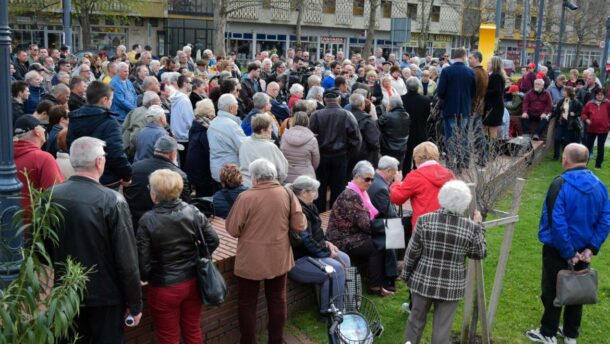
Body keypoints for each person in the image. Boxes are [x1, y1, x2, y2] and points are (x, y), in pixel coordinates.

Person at [49, 136, 143, 343]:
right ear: (100, 162)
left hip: (66, 293)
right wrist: (135, 304)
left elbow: (43, 249)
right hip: (105, 299)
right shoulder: (112, 201)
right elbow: (127, 261)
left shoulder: (50, 196)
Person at [525, 143, 610, 344]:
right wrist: (590, 248)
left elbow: (558, 222)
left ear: (565, 159)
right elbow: (605, 220)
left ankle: (548, 333)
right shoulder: (600, 186)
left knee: (552, 290)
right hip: (582, 251)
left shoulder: (560, 184)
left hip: (558, 249)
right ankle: (571, 334)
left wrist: (570, 251)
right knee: (577, 288)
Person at [225, 158, 307, 344]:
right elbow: (300, 225)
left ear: (254, 177)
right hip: (278, 256)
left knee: (247, 303)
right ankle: (276, 340)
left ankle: (248, 341)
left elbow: (232, 229)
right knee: (278, 300)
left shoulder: (246, 197)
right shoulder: (287, 193)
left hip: (250, 260)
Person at [136, 169, 219, 344]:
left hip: (164, 286)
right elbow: (213, 240)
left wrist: (149, 276)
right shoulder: (193, 211)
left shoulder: (147, 220)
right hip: (192, 281)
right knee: (192, 329)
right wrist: (199, 258)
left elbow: (142, 263)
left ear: (155, 193)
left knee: (168, 337)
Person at [402, 180, 487, 344]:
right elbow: (479, 253)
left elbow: (412, 253)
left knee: (415, 323)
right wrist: (479, 226)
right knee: (442, 329)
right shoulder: (471, 227)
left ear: (442, 197)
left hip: (423, 280)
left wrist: (406, 275)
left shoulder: (425, 220)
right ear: (465, 202)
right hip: (451, 286)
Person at [287, 175, 351, 314]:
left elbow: (316, 234)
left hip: (313, 254)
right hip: (299, 260)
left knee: (345, 258)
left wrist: (326, 243)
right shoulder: (298, 212)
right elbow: (305, 241)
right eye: (314, 191)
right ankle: (330, 311)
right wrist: (326, 253)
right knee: (334, 270)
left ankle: (345, 302)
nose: (317, 194)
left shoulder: (310, 206)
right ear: (304, 192)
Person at [327, 161, 392, 296]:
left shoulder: (360, 193)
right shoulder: (352, 196)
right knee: (378, 245)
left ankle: (389, 278)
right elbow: (366, 225)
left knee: (389, 237)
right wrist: (386, 227)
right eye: (367, 179)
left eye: (372, 179)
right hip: (341, 239)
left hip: (352, 234)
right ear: (356, 177)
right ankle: (376, 285)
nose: (370, 182)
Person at [68, 81, 132, 189]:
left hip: (81, 178)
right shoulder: (110, 122)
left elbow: (70, 146)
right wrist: (127, 176)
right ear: (104, 100)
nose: (111, 103)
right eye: (111, 100)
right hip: (107, 180)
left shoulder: (75, 118)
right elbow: (115, 154)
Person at [309, 90, 362, 211]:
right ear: (338, 100)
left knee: (320, 188)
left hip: (322, 157)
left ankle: (320, 213)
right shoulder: (346, 115)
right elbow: (356, 139)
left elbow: (311, 136)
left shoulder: (316, 115)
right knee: (338, 188)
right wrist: (349, 155)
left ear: (324, 101)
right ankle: (336, 214)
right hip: (340, 156)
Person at [124, 135, 191, 228]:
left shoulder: (135, 167)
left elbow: (126, 191)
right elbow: (185, 203)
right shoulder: (178, 175)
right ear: (173, 154)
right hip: (165, 226)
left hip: (135, 222)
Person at [390, 142, 455, 229]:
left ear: (417, 158)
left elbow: (396, 198)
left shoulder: (415, 176)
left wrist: (397, 182)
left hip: (423, 227)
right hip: (447, 225)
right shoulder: (449, 174)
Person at [13, 115, 64, 213]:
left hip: (6, 221)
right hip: (35, 224)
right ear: (36, 131)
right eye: (43, 128)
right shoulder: (44, 158)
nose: (45, 131)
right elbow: (55, 196)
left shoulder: (5, 158)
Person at [367, 156, 403, 292]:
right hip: (374, 223)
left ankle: (393, 272)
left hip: (373, 219)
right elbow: (389, 214)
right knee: (395, 227)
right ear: (388, 171)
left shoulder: (376, 180)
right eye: (394, 172)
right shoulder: (381, 187)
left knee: (396, 227)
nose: (395, 175)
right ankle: (390, 278)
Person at [436, 48, 476, 164]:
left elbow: (440, 91)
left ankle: (451, 160)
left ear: (453, 57)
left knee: (450, 136)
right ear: (464, 57)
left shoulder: (447, 71)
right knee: (463, 135)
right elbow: (473, 92)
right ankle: (461, 161)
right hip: (464, 109)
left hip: (449, 108)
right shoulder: (470, 72)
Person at [239, 113, 288, 187]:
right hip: (265, 187)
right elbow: (282, 172)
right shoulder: (271, 147)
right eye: (270, 127)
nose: (271, 130)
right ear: (263, 130)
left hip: (246, 185)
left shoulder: (244, 143)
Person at [209, 93, 247, 184]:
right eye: (237, 105)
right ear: (231, 108)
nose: (238, 107)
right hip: (229, 172)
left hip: (216, 168)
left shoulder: (214, 121)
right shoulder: (231, 125)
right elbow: (243, 147)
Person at [186, 98, 216, 197]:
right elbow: (209, 150)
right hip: (203, 171)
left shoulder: (195, 124)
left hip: (195, 168)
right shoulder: (205, 129)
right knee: (205, 197)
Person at [280, 111, 320, 183]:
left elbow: (282, 155)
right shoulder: (312, 139)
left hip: (288, 175)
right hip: (306, 176)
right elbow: (316, 161)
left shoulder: (284, 136)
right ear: (307, 121)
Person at [402, 78, 430, 174]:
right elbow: (427, 115)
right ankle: (418, 173)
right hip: (420, 131)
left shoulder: (402, 99)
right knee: (419, 155)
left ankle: (405, 173)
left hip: (406, 132)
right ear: (418, 87)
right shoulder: (425, 100)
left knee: (407, 155)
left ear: (407, 87)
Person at [348, 93, 380, 172]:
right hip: (364, 157)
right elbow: (374, 142)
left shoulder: (345, 116)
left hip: (349, 156)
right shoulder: (367, 120)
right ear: (362, 104)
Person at [581, 88, 610, 169]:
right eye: (598, 94)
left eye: (601, 95)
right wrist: (586, 119)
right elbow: (583, 114)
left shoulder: (608, 103)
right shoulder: (589, 103)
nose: (600, 96)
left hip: (604, 129)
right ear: (595, 95)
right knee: (588, 146)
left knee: (600, 147)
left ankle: (598, 165)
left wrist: (608, 123)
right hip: (591, 129)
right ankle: (584, 164)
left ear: (604, 95)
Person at [378, 95, 410, 169]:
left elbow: (378, 124)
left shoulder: (387, 116)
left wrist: (386, 111)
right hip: (402, 148)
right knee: (398, 169)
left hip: (388, 148)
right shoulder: (407, 115)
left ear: (391, 105)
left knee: (387, 169)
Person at [170, 75, 195, 168]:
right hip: (184, 137)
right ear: (185, 84)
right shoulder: (184, 99)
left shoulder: (176, 97)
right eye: (190, 83)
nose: (191, 85)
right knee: (185, 165)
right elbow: (189, 120)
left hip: (177, 136)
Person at [551, 87, 582, 160]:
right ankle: (556, 156)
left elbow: (581, 111)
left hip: (569, 124)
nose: (563, 92)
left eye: (564, 91)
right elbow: (556, 111)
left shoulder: (575, 102)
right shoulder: (562, 100)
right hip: (561, 122)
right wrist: (549, 116)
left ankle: (564, 157)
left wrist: (574, 114)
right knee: (557, 139)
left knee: (566, 141)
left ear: (569, 92)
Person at [483, 56, 507, 139]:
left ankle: (492, 148)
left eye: (489, 63)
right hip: (492, 106)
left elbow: (497, 91)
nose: (487, 64)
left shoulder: (496, 76)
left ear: (494, 64)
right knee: (486, 127)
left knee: (492, 128)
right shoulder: (495, 75)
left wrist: (484, 91)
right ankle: (488, 147)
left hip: (494, 107)